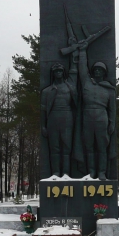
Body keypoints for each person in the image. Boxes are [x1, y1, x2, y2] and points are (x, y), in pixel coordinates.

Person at [40, 48, 82, 177]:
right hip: (53, 119)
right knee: (55, 148)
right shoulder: (47, 91)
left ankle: (65, 173)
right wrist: (43, 125)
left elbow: (74, 72)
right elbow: (43, 110)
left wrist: (74, 57)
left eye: (60, 71)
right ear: (53, 73)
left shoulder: (70, 87)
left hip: (67, 118)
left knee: (66, 148)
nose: (58, 73)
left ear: (63, 72)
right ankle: (55, 173)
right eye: (56, 71)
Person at [77, 43, 116, 180]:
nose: (97, 71)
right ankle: (92, 171)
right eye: (96, 69)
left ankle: (102, 172)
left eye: (100, 70)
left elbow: (112, 109)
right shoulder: (87, 82)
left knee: (101, 147)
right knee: (89, 147)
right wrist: (82, 52)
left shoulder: (108, 89)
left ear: (104, 73)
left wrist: (112, 123)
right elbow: (82, 68)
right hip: (87, 116)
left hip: (101, 117)